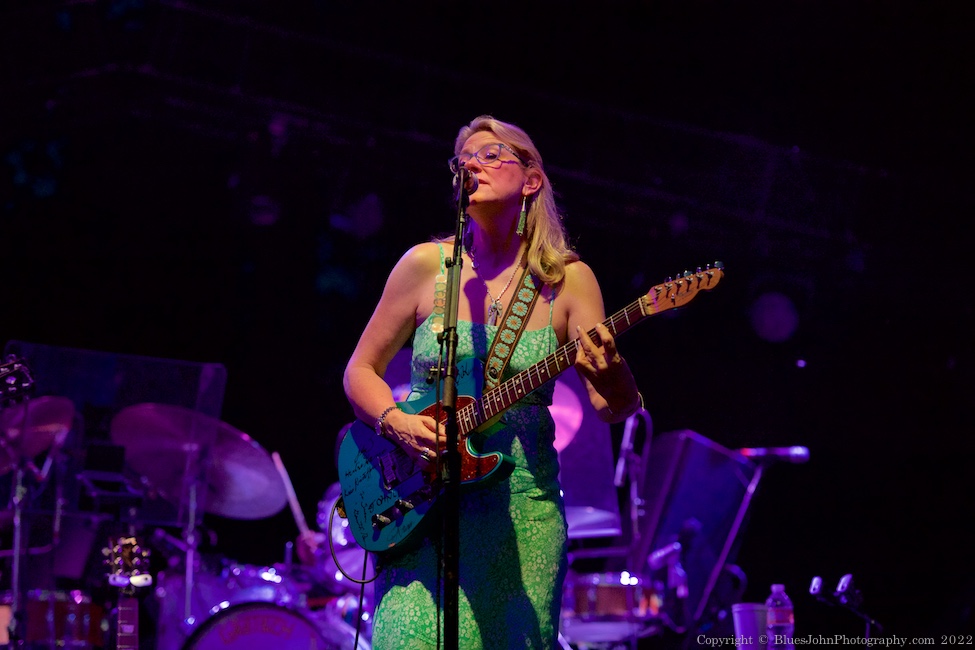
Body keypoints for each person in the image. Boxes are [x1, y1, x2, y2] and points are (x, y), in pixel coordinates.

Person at [342, 115, 643, 649]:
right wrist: (396, 423)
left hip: (520, 509)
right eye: (464, 159)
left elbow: (611, 406)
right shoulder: (424, 266)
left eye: (491, 154)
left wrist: (613, 371)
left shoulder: (567, 280)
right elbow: (358, 371)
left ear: (531, 180)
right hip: (418, 504)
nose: (472, 164)